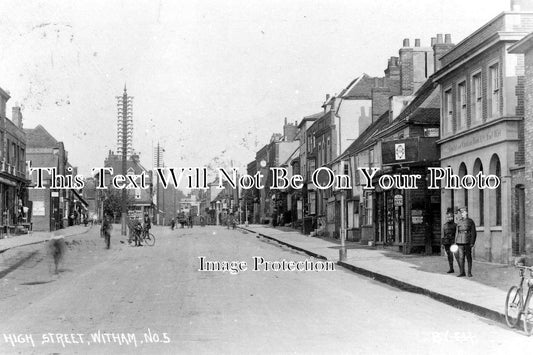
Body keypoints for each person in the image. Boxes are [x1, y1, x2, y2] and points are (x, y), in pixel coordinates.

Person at [455, 207, 477, 277]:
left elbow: (473, 233)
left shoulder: (470, 221)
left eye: (463, 212)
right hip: (460, 242)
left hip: (467, 241)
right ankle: (462, 272)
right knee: (461, 257)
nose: (462, 214)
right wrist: (456, 241)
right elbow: (457, 232)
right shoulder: (459, 221)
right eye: (461, 213)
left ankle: (469, 272)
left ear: (466, 213)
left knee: (468, 257)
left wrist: (472, 242)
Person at [442, 209, 457, 274]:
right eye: (448, 217)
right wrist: (442, 243)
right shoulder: (444, 225)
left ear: (452, 217)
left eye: (450, 217)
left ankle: (460, 268)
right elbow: (443, 235)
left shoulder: (455, 225)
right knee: (449, 255)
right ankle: (451, 268)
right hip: (446, 242)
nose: (449, 218)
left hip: (453, 242)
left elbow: (456, 234)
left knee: (454, 255)